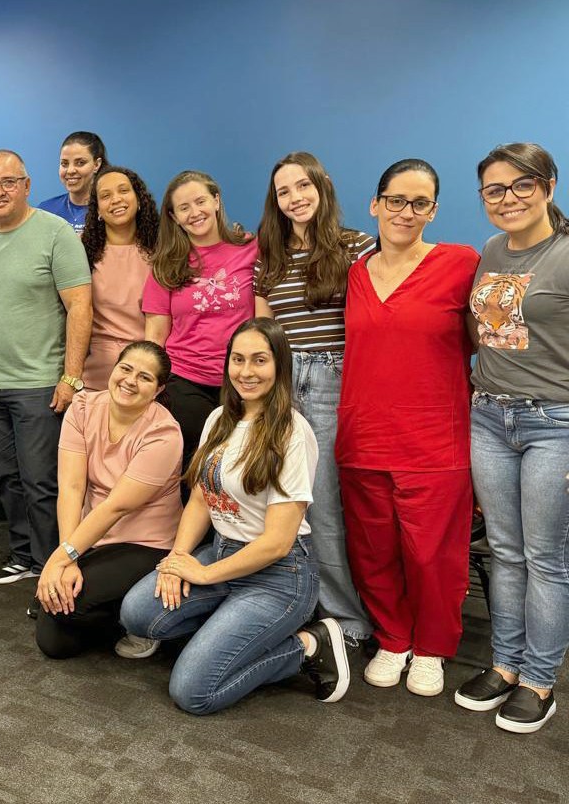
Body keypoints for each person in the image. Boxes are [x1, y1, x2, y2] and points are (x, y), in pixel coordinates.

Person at [119, 318, 350, 715]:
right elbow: (200, 500)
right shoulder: (219, 419)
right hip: (223, 553)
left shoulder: (292, 433)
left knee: (193, 692)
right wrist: (178, 560)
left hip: (279, 575)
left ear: (279, 365)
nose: (246, 371)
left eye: (260, 360)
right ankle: (231, 629)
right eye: (238, 359)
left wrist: (204, 575)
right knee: (137, 614)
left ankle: (309, 645)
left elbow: (277, 543)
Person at [336, 159, 479, 697]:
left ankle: (433, 646)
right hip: (363, 435)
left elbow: (490, 339)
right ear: (375, 204)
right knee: (373, 549)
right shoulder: (354, 273)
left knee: (432, 555)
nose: (406, 212)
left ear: (433, 211)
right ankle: (393, 637)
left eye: (420, 203)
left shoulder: (461, 263)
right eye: (396, 200)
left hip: (435, 440)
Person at [455, 142, 569, 733]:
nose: (509, 199)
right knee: (504, 551)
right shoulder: (493, 250)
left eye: (523, 185)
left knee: (545, 556)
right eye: (494, 190)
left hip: (555, 423)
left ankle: (538, 680)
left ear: (548, 186)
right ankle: (504, 664)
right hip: (490, 418)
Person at [0, 150, 92, 587]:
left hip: (39, 383)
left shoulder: (55, 233)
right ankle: (24, 555)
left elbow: (80, 306)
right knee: (6, 478)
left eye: (9, 182)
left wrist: (71, 376)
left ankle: (50, 563)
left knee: (40, 480)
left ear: (27, 186)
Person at [253, 151, 376, 652]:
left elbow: (374, 322)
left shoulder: (357, 246)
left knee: (325, 507)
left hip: (334, 379)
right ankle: (303, 605)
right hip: (283, 381)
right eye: (284, 191)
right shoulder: (269, 256)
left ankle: (349, 619)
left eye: (303, 186)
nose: (295, 198)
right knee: (281, 501)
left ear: (322, 187)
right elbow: (264, 332)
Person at [34, 342, 182, 659]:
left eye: (144, 377)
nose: (130, 381)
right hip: (94, 535)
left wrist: (58, 560)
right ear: (114, 369)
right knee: (54, 640)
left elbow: (117, 506)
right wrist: (68, 557)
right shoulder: (83, 407)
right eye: (125, 369)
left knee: (64, 604)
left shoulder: (164, 434)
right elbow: (71, 487)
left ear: (158, 389)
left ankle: (143, 620)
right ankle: (116, 608)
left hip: (145, 543)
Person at [143, 171, 257, 475]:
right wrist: (150, 384)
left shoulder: (252, 249)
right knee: (195, 471)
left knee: (240, 469)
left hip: (243, 379)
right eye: (184, 208)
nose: (194, 212)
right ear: (174, 217)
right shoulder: (165, 265)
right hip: (185, 380)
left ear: (216, 201)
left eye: (200, 201)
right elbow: (155, 336)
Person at [81, 166, 160, 390]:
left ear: (139, 199)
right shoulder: (80, 251)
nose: (116, 199)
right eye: (105, 196)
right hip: (93, 373)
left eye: (123, 191)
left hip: (145, 371)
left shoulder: (162, 250)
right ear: (97, 209)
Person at [36, 131, 108, 234]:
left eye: (80, 163)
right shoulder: (45, 211)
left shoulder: (109, 209)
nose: (70, 171)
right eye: (64, 164)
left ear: (96, 164)